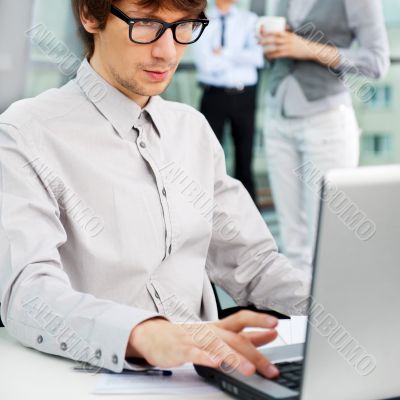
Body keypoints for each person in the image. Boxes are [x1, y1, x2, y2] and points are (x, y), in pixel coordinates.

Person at [0, 0, 310, 379]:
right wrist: (144, 334)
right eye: (146, 25)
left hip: (205, 377)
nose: (168, 51)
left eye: (184, 26)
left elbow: (253, 265)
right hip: (93, 379)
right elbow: (28, 295)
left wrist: (344, 306)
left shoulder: (191, 130)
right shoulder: (25, 133)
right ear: (89, 15)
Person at [260, 0, 390, 272]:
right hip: (276, 119)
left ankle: (332, 313)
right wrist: (270, 45)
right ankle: (299, 314)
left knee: (327, 240)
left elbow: (377, 62)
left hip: (325, 124)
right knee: (291, 243)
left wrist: (309, 49)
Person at [193, 0, 263, 202]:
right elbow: (205, 64)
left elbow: (258, 57)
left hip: (245, 96)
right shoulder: (202, 20)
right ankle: (211, 215)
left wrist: (223, 53)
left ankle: (251, 219)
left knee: (245, 159)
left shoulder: (249, 20)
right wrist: (240, 56)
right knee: (208, 160)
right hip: (213, 96)